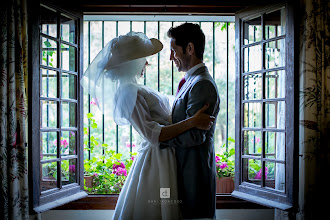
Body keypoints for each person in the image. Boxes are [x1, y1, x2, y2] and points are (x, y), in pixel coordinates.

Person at [81, 32, 215, 220]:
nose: (146, 63)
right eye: (142, 58)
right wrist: (192, 121)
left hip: (165, 157)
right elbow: (153, 134)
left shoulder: (135, 88)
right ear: (130, 62)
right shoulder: (128, 92)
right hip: (157, 160)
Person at [160, 23, 220, 220]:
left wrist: (160, 138)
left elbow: (194, 135)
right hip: (184, 173)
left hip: (194, 177)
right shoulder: (191, 81)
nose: (171, 58)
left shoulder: (202, 84)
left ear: (190, 48)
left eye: (173, 51)